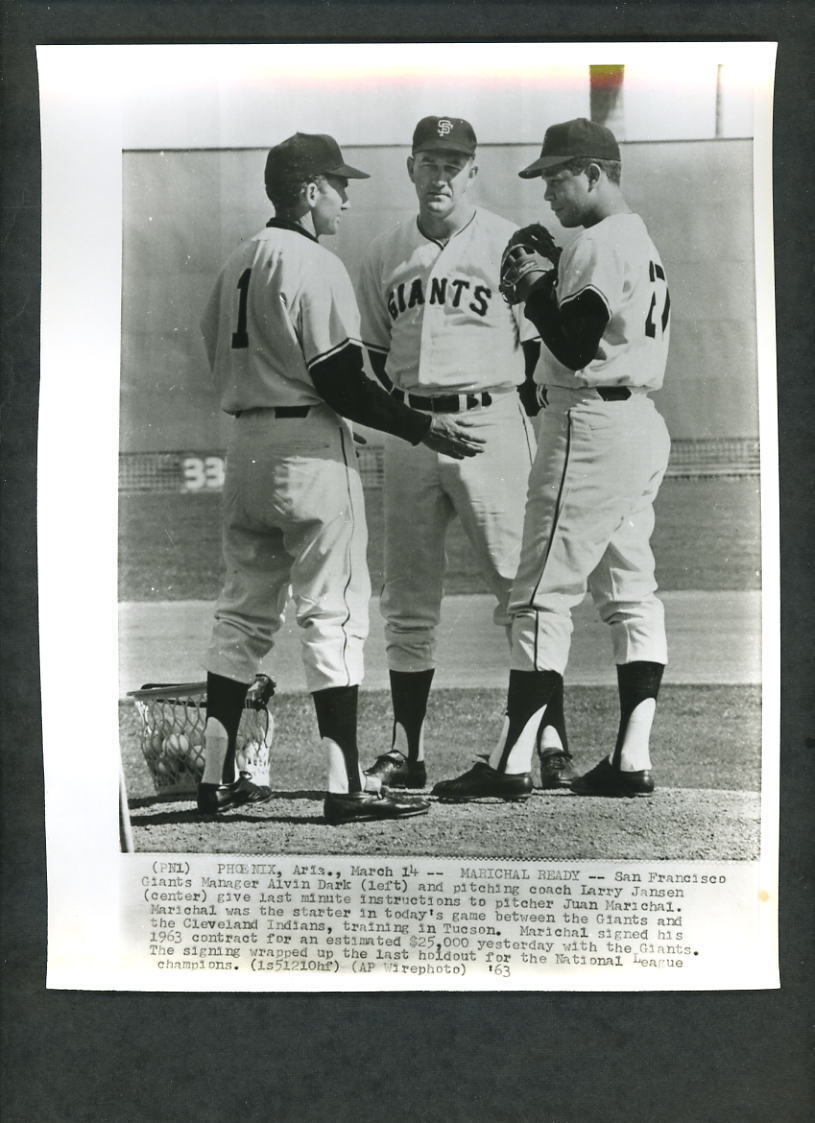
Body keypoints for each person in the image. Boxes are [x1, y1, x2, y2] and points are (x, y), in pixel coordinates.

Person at [197, 131, 484, 824]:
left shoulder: (236, 260)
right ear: (306, 192)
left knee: (242, 611)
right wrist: (419, 424)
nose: (345, 196)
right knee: (333, 611)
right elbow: (339, 379)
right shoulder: (313, 262)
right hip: (309, 447)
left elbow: (215, 354)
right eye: (335, 183)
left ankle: (212, 779)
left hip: (246, 448)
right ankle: (341, 785)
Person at [433, 117, 672, 802]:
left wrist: (538, 288)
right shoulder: (641, 240)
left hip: (592, 426)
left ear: (594, 173)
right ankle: (630, 756)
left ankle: (509, 763)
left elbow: (572, 342)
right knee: (630, 591)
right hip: (638, 425)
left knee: (538, 595)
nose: (546, 192)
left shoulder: (598, 242)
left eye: (556, 176)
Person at [357, 115, 574, 794]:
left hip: (490, 420)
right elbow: (370, 352)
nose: (441, 174)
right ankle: (407, 748)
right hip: (411, 430)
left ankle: (547, 736)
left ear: (473, 171)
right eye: (429, 160)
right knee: (408, 598)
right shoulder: (383, 251)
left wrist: (521, 428)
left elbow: (541, 345)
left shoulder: (510, 240)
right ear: (410, 167)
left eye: (454, 162)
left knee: (521, 589)